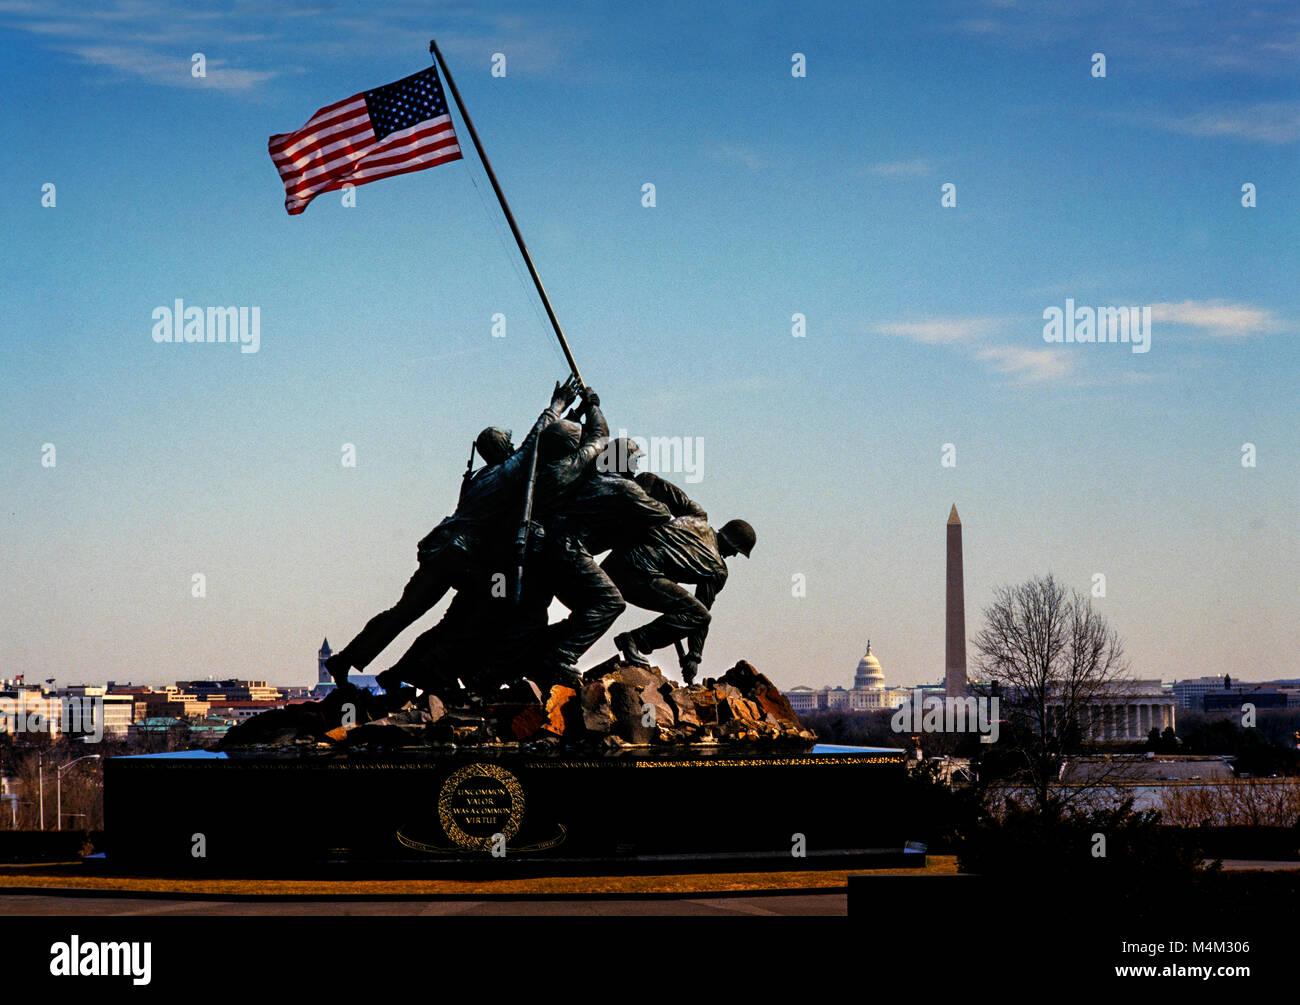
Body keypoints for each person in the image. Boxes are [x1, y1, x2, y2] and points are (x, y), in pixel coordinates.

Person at [323, 377, 579, 685]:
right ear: (504, 448)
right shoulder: (506, 472)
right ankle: (441, 668)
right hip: (463, 557)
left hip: (440, 551)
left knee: (404, 612)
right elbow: (536, 441)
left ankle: (348, 658)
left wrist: (570, 420)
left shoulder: (477, 477)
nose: (514, 447)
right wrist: (559, 405)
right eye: (509, 444)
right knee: (485, 610)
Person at [603, 502, 755, 684]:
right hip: (637, 575)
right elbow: (700, 614)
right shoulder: (717, 570)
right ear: (733, 544)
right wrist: (694, 656)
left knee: (688, 609)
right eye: (737, 551)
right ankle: (635, 640)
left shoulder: (696, 517)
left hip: (614, 563)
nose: (735, 555)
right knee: (698, 614)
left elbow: (651, 482)